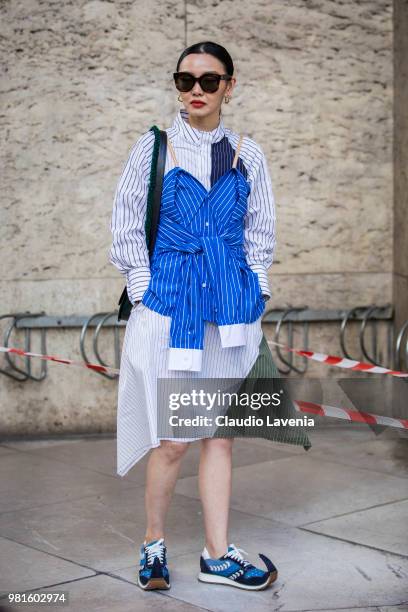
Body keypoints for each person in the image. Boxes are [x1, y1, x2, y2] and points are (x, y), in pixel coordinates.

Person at [109, 41, 290, 592]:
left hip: (229, 315)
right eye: (185, 79)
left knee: (218, 436)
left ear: (229, 87)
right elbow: (124, 228)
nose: (196, 90)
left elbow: (260, 234)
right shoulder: (154, 148)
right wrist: (145, 295)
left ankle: (217, 555)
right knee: (173, 440)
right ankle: (154, 544)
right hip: (170, 313)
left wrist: (255, 290)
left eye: (209, 81)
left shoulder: (247, 154)